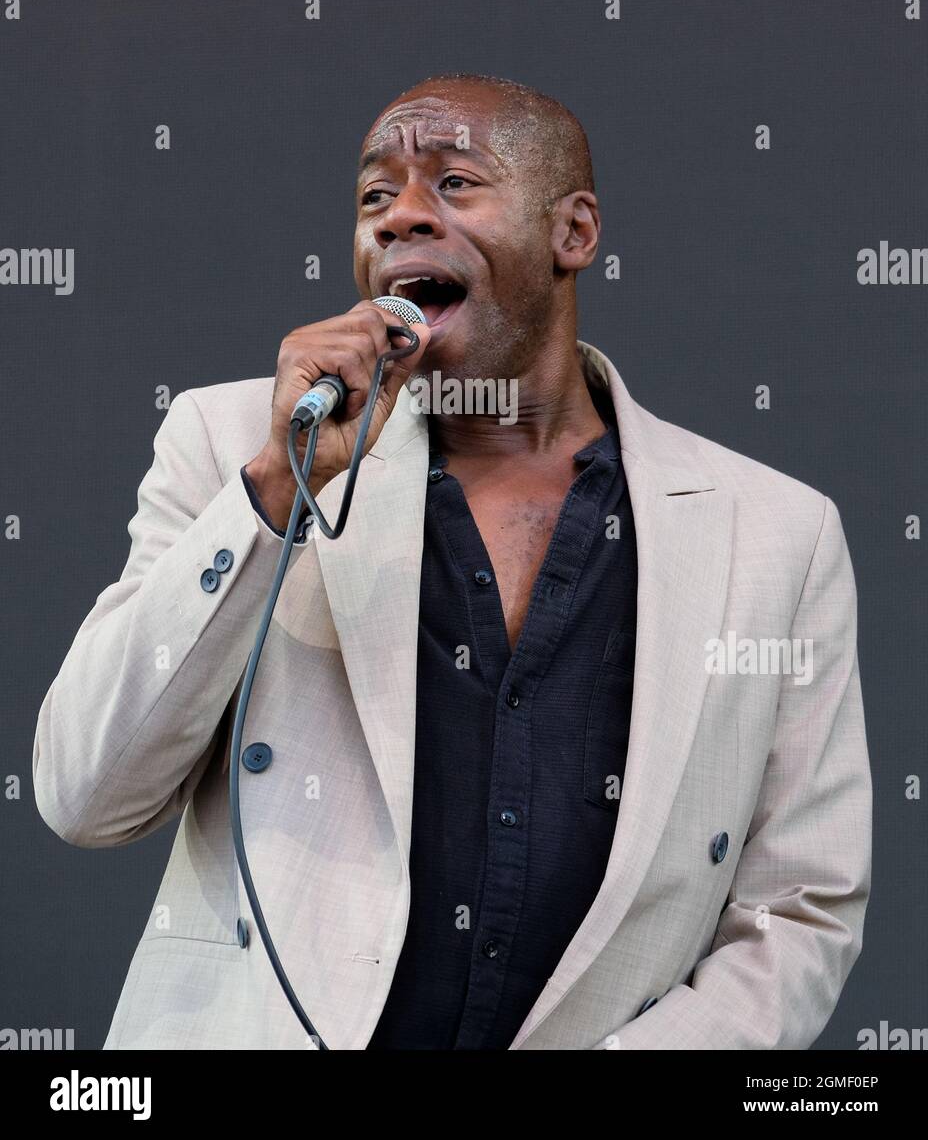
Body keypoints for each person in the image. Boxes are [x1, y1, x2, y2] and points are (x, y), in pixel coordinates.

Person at [33, 74, 872, 1050]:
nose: (399, 220)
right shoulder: (233, 445)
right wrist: (273, 495)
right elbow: (85, 793)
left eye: (454, 182)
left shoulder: (773, 533)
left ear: (574, 233)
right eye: (373, 197)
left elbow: (799, 908)